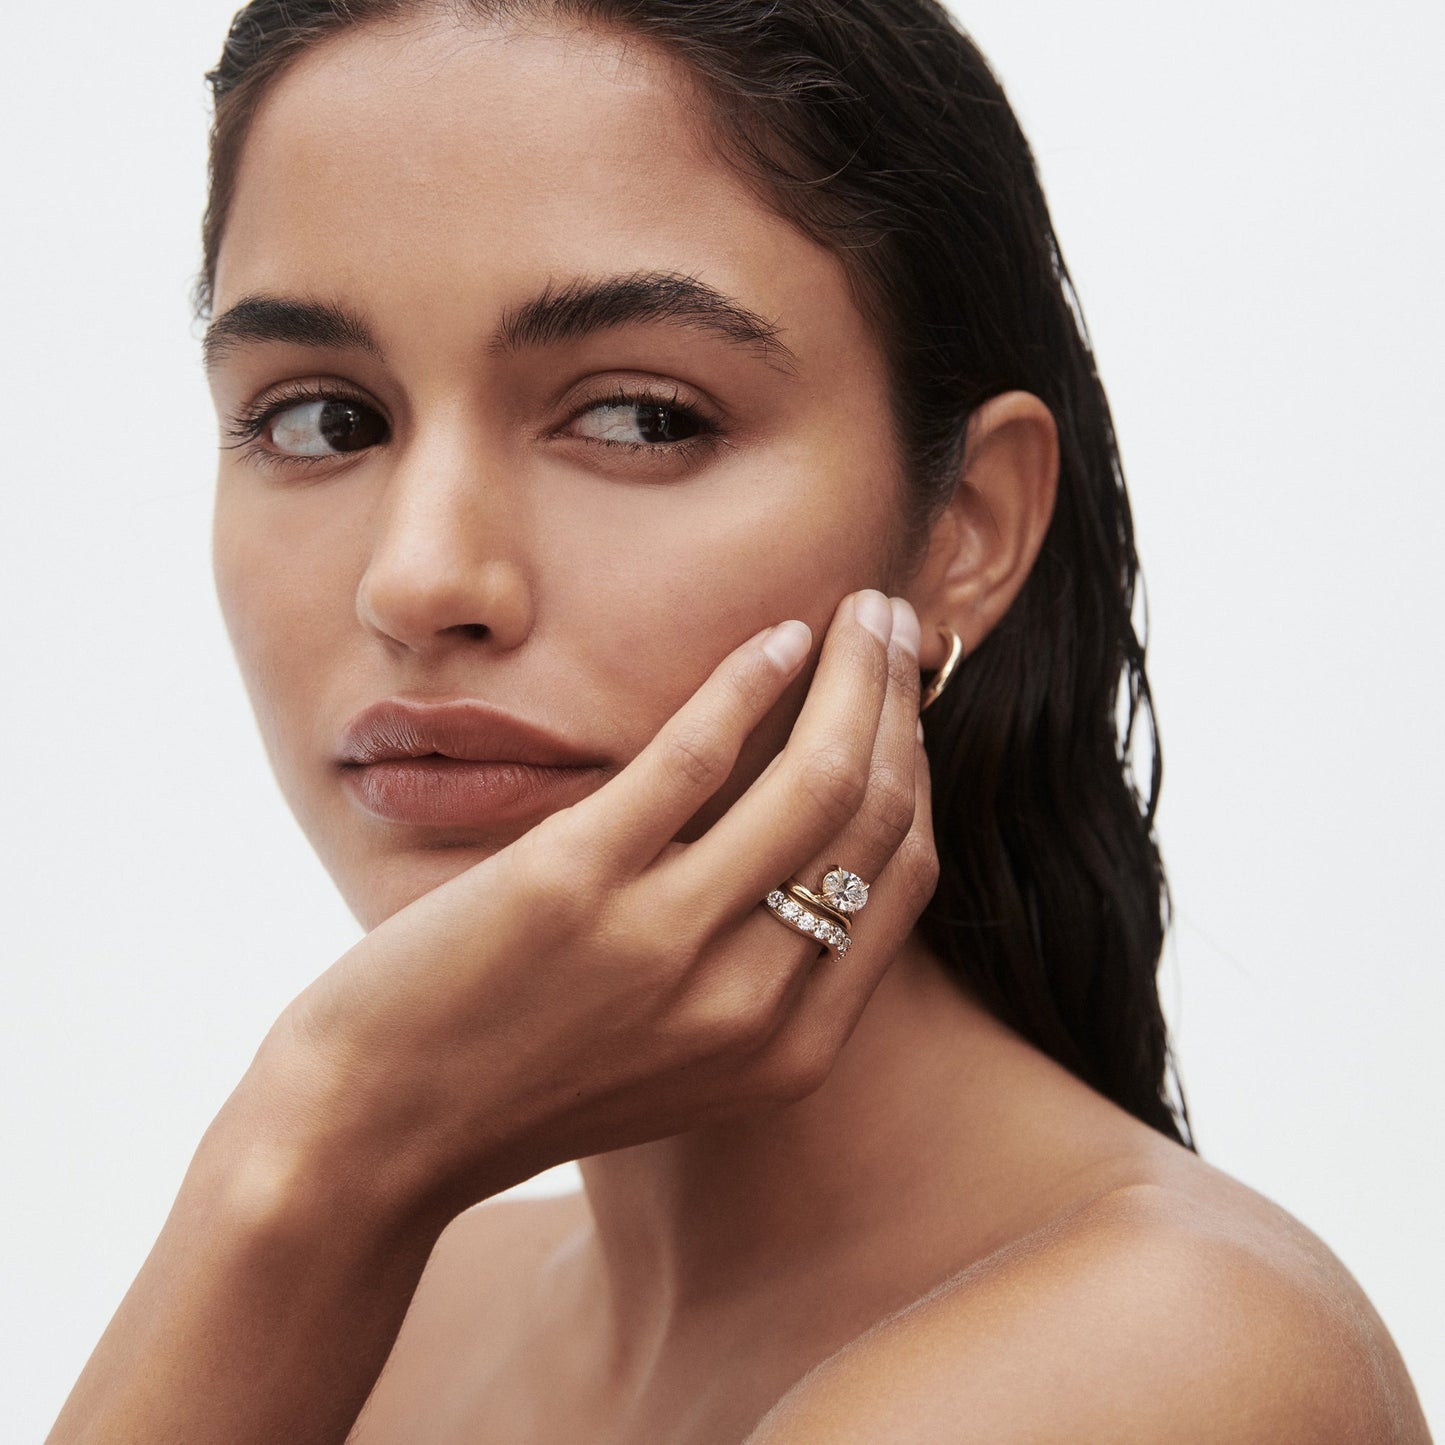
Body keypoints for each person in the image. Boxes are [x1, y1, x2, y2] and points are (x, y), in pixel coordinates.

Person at [46, 1, 1431, 1441]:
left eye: (640, 417)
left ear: (965, 523)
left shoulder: (1158, 1362)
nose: (419, 579)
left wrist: (316, 1148)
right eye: (322, 419)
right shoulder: (408, 1305)